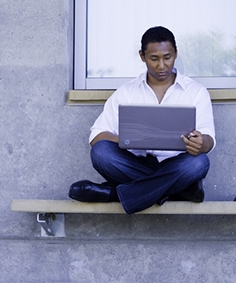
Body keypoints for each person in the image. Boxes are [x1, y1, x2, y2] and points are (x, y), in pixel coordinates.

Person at [69, 26, 216, 214]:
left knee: (199, 163)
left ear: (176, 53)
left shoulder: (196, 92)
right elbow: (97, 136)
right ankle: (179, 190)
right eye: (154, 59)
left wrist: (201, 143)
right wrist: (131, 139)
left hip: (175, 164)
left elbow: (209, 140)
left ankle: (115, 194)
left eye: (167, 57)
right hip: (136, 163)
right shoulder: (127, 92)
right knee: (101, 153)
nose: (161, 65)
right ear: (142, 56)